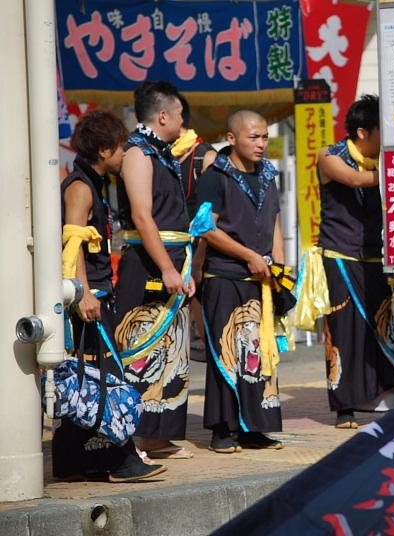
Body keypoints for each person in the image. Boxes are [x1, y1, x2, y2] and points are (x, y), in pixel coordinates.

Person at [56, 110, 166, 482]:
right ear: (104, 150)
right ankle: (123, 461)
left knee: (89, 381)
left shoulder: (96, 184)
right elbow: (73, 243)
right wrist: (84, 294)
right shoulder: (80, 188)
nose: (125, 155)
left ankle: (70, 461)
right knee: (106, 380)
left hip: (100, 294)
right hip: (88, 299)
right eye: (121, 148)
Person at [317, 94, 394, 429]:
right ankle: (344, 406)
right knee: (344, 330)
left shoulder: (383, 161)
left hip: (374, 255)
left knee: (384, 325)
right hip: (339, 256)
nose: (387, 139)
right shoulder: (330, 156)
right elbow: (355, 180)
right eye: (381, 131)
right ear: (362, 132)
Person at [195, 110, 285, 453]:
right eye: (253, 137)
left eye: (264, 137)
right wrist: (248, 255)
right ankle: (221, 429)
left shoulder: (268, 174)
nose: (261, 144)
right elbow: (205, 227)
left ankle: (253, 427)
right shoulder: (215, 176)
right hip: (225, 275)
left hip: (261, 277)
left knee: (257, 353)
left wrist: (279, 267)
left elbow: (274, 222)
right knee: (225, 351)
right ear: (232, 139)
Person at [115, 80, 195, 460]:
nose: (182, 123)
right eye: (179, 115)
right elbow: (142, 216)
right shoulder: (137, 152)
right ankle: (134, 436)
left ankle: (159, 436)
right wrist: (166, 267)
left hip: (176, 260)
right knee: (142, 349)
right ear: (163, 116)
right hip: (149, 263)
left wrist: (182, 267)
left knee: (173, 350)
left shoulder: (163, 153)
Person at [173, 94, 217, 359]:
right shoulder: (156, 154)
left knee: (201, 299)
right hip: (171, 247)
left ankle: (207, 345)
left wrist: (199, 259)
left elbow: (212, 215)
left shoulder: (205, 156)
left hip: (201, 247)